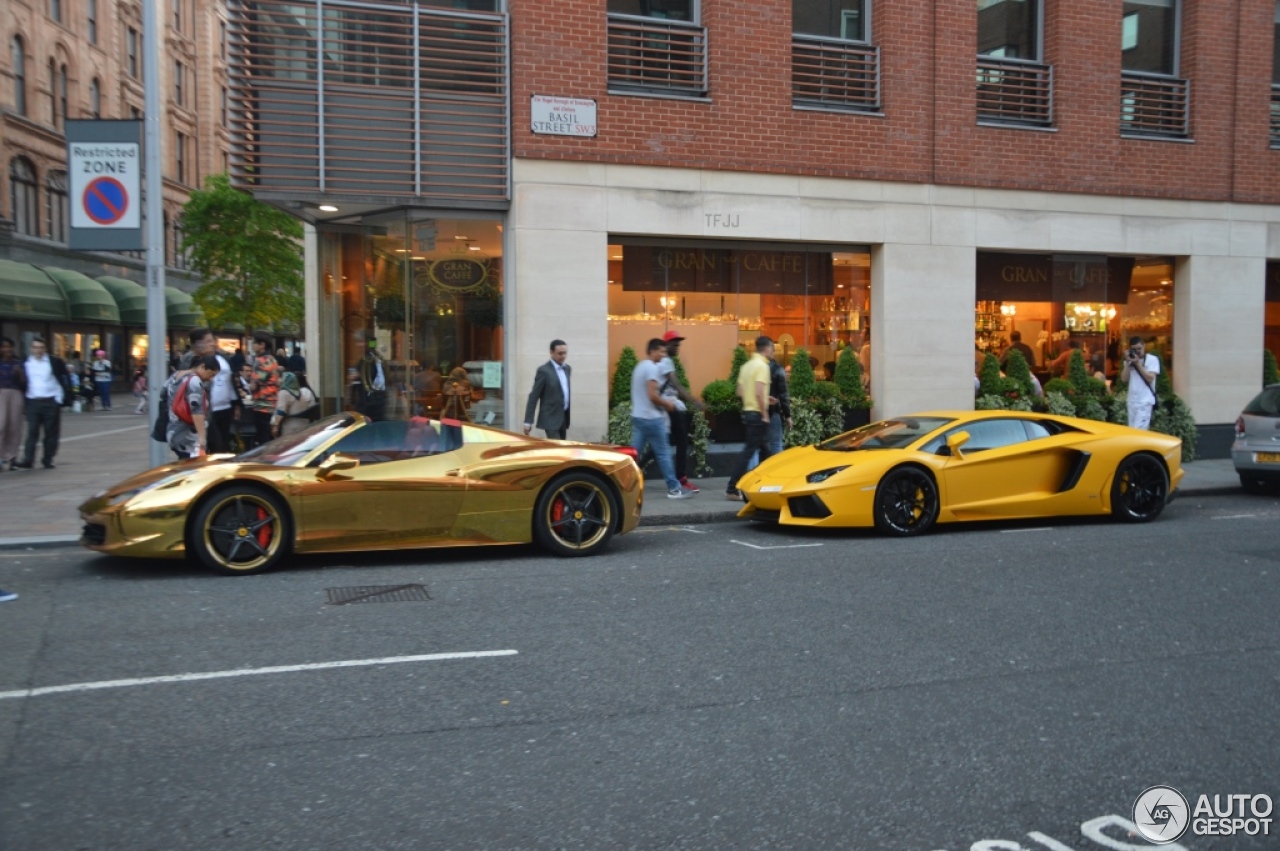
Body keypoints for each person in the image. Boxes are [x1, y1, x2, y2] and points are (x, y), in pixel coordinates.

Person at [631, 338, 692, 499]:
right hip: (652, 418)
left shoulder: (640, 366)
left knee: (633, 455)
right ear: (653, 351)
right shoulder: (651, 368)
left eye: (665, 352)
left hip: (638, 417)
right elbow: (652, 395)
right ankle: (674, 488)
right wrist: (667, 405)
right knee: (663, 453)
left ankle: (623, 482)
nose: (663, 355)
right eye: (661, 351)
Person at [653, 330, 706, 491]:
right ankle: (681, 479)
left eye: (679, 345)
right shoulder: (667, 361)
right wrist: (694, 400)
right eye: (675, 345)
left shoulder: (659, 361)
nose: (678, 348)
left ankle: (635, 469)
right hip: (670, 407)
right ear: (666, 345)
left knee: (661, 442)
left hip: (664, 407)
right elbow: (676, 384)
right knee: (682, 441)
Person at [726, 336, 776, 501]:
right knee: (750, 452)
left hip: (748, 412)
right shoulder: (762, 366)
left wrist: (765, 398)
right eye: (773, 348)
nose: (773, 352)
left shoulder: (746, 366)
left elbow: (740, 391)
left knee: (764, 451)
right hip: (757, 414)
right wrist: (765, 413)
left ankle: (766, 485)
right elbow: (758, 392)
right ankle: (732, 488)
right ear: (767, 349)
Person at [15, 337, 72, 470]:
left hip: (50, 402)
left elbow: (64, 378)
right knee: (32, 431)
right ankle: (28, 460)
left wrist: (59, 399)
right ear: (31, 349)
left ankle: (48, 459)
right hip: (33, 402)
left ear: (45, 349)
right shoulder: (25, 363)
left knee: (51, 433)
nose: (38, 350)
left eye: (41, 347)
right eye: (35, 347)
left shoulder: (54, 362)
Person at [182, 329, 237, 453]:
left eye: (212, 340)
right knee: (209, 446)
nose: (212, 344)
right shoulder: (191, 358)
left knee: (219, 445)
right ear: (198, 344)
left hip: (214, 410)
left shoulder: (216, 358)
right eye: (208, 341)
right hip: (197, 414)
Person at [167, 355, 220, 460]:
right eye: (211, 374)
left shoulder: (174, 376)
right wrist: (202, 438)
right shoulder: (195, 381)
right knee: (191, 470)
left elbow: (163, 396)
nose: (211, 378)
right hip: (188, 435)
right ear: (202, 367)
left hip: (173, 430)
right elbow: (196, 410)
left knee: (183, 466)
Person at [523, 339, 571, 439]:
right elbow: (534, 396)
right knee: (557, 448)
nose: (563, 356)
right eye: (560, 353)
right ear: (551, 353)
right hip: (550, 417)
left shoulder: (567, 369)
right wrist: (528, 421)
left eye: (565, 353)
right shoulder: (544, 371)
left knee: (563, 449)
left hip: (563, 417)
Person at [249, 331, 282, 447]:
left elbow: (255, 385)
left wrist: (250, 386)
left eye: (254, 343)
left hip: (262, 406)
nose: (252, 346)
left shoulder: (261, 361)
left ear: (262, 345)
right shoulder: (273, 359)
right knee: (269, 438)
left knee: (263, 440)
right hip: (272, 403)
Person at [1122, 336, 1161, 430]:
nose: (1138, 351)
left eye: (1139, 348)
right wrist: (1128, 362)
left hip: (1145, 401)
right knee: (1132, 431)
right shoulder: (1130, 361)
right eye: (1134, 349)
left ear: (1144, 346)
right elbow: (1124, 379)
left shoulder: (1152, 359)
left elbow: (1150, 378)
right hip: (1132, 401)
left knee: (1138, 431)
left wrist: (1138, 364)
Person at [0, 337, 26, 471]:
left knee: (15, 426)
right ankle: (1, 456)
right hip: (1, 394)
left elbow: (24, 383)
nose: (7, 349)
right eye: (3, 346)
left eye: (9, 346)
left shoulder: (18, 364)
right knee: (2, 424)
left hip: (16, 394)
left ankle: (12, 457)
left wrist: (19, 374)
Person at [271, 372, 318, 437]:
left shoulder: (283, 393)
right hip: (304, 425)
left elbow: (281, 411)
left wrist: (275, 426)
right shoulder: (301, 392)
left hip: (290, 427)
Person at [440, 366, 472, 451]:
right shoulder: (465, 385)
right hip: (463, 415)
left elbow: (443, 401)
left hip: (447, 414)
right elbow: (468, 401)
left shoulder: (446, 385)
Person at [358, 342, 387, 421]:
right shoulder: (366, 361)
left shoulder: (381, 362)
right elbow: (362, 380)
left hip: (380, 398)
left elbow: (383, 378)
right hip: (370, 399)